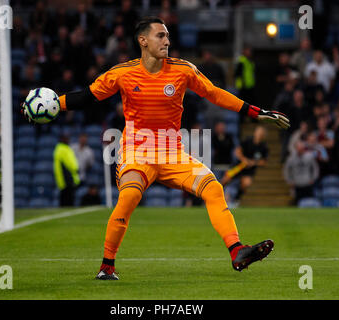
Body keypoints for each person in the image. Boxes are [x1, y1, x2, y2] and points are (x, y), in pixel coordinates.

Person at [21, 17, 290, 280]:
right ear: (143, 40)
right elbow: (88, 96)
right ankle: (107, 266)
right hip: (136, 153)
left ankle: (237, 251)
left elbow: (214, 93)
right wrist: (57, 104)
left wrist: (255, 112)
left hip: (173, 154)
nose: (167, 41)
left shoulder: (183, 70)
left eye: (168, 36)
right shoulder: (122, 73)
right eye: (160, 36)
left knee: (214, 188)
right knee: (128, 199)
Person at [222, 126, 269, 203]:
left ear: (264, 135)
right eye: (258, 132)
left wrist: (253, 162)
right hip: (238, 166)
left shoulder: (263, 147)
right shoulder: (247, 141)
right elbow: (237, 151)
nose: (259, 135)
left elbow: (264, 161)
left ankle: (236, 199)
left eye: (261, 133)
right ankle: (215, 196)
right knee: (225, 180)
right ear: (255, 132)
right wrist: (244, 160)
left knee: (246, 183)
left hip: (249, 170)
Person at [283, 140, 319, 205]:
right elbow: (286, 170)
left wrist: (313, 179)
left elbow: (315, 168)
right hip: (297, 184)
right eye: (299, 148)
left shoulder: (309, 156)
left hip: (307, 183)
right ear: (296, 148)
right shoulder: (291, 158)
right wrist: (289, 181)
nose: (300, 150)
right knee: (298, 202)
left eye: (302, 148)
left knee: (310, 201)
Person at [53, 134, 80, 207]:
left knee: (66, 196)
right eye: (66, 139)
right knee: (67, 198)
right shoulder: (63, 149)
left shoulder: (61, 148)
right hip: (67, 176)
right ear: (62, 140)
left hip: (66, 177)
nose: (68, 140)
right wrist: (76, 169)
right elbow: (69, 163)